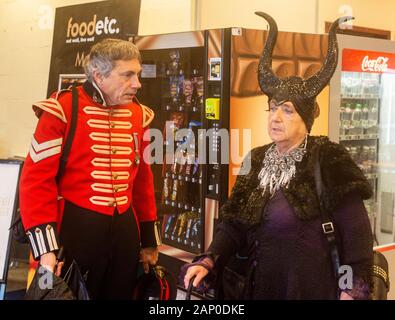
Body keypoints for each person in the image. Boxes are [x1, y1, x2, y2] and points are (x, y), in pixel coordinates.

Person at [183, 12, 373, 300]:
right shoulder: (256, 159)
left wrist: (351, 290)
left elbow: (356, 237)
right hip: (258, 287)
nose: (275, 117)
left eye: (287, 110)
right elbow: (234, 223)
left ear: (305, 118)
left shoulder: (328, 158)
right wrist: (210, 258)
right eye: (272, 108)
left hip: (310, 288)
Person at [19, 38, 161, 299]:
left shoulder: (140, 114)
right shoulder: (62, 109)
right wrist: (46, 251)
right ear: (99, 74)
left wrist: (149, 240)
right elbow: (36, 182)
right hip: (76, 229)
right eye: (127, 75)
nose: (137, 84)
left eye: (138, 74)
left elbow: (142, 180)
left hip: (125, 232)